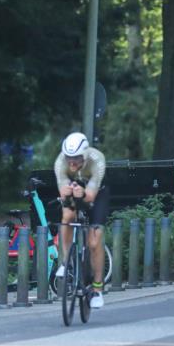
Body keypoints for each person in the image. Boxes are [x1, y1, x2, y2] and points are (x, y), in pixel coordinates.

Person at [54, 132, 109, 308]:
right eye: (69, 158)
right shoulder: (60, 162)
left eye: (76, 159)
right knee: (68, 215)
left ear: (84, 156)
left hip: (97, 192)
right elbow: (63, 193)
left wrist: (83, 195)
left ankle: (98, 289)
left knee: (94, 241)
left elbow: (91, 197)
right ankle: (66, 261)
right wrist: (69, 193)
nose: (72, 163)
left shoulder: (97, 159)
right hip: (73, 188)